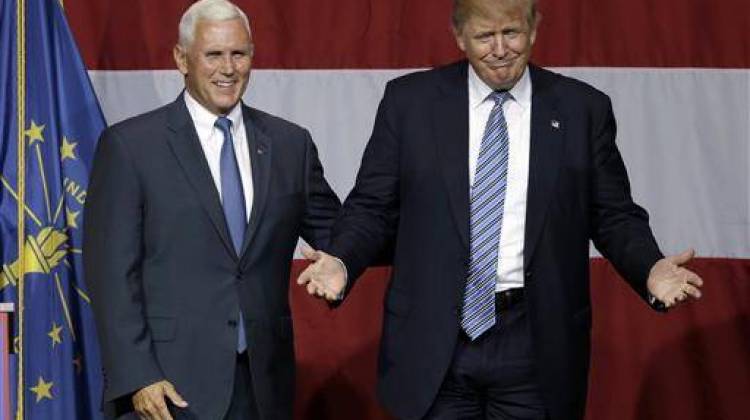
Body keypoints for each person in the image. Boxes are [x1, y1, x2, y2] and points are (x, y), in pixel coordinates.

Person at [296, 0, 703, 419]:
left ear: (533, 29)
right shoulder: (410, 103)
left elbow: (613, 214)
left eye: (511, 32)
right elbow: (373, 207)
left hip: (534, 340)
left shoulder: (582, 109)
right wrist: (343, 261)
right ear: (459, 37)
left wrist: (650, 267)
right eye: (484, 36)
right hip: (435, 337)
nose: (500, 49)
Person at [84, 0, 340, 418]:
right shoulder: (131, 147)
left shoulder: (290, 144)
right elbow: (111, 273)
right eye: (214, 55)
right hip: (168, 385)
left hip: (262, 384)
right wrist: (137, 375)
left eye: (238, 54)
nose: (228, 68)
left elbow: (339, 234)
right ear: (181, 59)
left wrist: (350, 257)